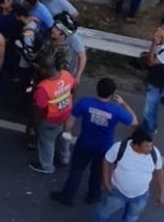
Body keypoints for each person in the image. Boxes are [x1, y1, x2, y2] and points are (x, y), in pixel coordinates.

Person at [51, 78, 136, 206]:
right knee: (97, 173)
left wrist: (67, 132)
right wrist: (123, 103)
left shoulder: (85, 102)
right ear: (112, 94)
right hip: (104, 148)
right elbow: (134, 121)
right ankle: (93, 196)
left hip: (84, 143)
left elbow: (71, 119)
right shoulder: (116, 110)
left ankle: (68, 195)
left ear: (97, 89)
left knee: (77, 170)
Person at [83, 127, 164, 222]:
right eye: (147, 147)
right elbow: (107, 161)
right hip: (118, 192)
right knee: (104, 211)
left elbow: (159, 172)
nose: (150, 149)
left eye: (151, 146)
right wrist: (105, 181)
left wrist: (161, 193)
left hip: (140, 196)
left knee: (132, 217)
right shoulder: (119, 148)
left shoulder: (154, 153)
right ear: (136, 146)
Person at [29, 55, 76, 173]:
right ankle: (65, 158)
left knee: (47, 142)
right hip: (67, 115)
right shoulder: (67, 75)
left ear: (44, 69)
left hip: (51, 121)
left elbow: (39, 109)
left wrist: (34, 125)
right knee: (64, 137)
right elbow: (73, 89)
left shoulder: (43, 88)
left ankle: (47, 167)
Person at [141, 24, 164, 134]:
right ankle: (152, 126)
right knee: (153, 107)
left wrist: (153, 44)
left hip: (157, 83)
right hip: (158, 81)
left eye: (162, 29)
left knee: (149, 109)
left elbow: (151, 63)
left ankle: (148, 131)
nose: (158, 29)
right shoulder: (163, 46)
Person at [42, 13, 87, 86]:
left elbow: (82, 57)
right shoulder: (49, 34)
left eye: (57, 29)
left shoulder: (73, 40)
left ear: (64, 33)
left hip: (64, 77)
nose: (53, 29)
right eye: (54, 26)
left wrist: (77, 76)